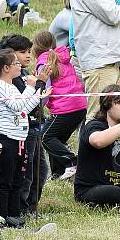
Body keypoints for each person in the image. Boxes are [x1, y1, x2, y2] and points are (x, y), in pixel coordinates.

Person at [0, 48, 50, 227]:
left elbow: (24, 108)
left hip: (19, 138)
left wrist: (39, 94)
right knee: (5, 177)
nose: (20, 66)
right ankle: (1, 212)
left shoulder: (13, 86)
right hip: (5, 138)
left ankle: (14, 212)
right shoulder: (0, 85)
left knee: (18, 178)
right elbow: (16, 106)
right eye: (16, 63)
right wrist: (31, 86)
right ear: (6, 68)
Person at [32, 31, 85, 180]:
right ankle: (58, 172)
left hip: (65, 108)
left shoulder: (43, 63)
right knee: (57, 138)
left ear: (35, 48)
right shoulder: (63, 57)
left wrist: (37, 106)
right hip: (79, 106)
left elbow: (45, 91)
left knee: (45, 137)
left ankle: (72, 161)